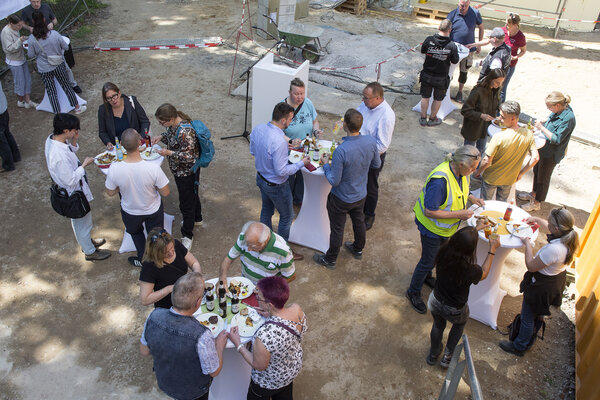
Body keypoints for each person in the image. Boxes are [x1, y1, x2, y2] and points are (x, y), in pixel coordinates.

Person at [406, 145, 485, 314]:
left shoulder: (462, 172)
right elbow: (429, 211)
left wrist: (471, 197)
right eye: (472, 167)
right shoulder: (440, 181)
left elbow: (460, 189)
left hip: (445, 230)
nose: (474, 171)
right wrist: (460, 214)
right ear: (461, 164)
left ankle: (427, 277)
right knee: (427, 260)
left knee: (438, 256)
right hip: (431, 229)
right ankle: (413, 291)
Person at [499, 207, 579, 356]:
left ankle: (519, 346)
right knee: (537, 313)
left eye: (549, 223)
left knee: (527, 317)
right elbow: (548, 225)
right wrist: (535, 220)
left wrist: (527, 244)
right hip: (554, 283)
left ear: (556, 228)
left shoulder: (555, 249)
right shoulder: (568, 237)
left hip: (541, 287)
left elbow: (531, 265)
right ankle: (531, 336)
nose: (546, 225)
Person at [140, 272, 228, 400]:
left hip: (166, 382)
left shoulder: (153, 316)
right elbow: (213, 371)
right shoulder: (202, 335)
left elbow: (144, 351)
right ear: (198, 302)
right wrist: (219, 346)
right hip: (193, 392)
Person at [313, 109, 381, 269]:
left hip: (341, 198)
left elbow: (334, 181)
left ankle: (330, 259)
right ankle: (358, 248)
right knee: (358, 221)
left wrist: (326, 166)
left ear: (344, 125)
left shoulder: (341, 151)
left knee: (337, 229)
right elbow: (376, 165)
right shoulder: (371, 142)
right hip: (360, 194)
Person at [427, 225, 499, 368]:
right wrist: (492, 249)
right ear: (471, 250)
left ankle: (433, 353)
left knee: (437, 325)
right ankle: (447, 357)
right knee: (459, 324)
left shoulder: (443, 251)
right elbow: (484, 273)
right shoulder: (469, 269)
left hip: (435, 299)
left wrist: (473, 231)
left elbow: (458, 242)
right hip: (455, 308)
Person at [44, 113, 110, 261]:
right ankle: (89, 251)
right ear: (66, 131)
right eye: (74, 130)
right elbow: (70, 180)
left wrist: (74, 141)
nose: (76, 132)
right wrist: (84, 165)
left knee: (84, 220)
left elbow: (69, 153)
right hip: (73, 193)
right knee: (82, 220)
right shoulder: (58, 156)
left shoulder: (53, 139)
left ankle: (87, 242)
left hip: (73, 189)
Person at [229, 276, 306, 400]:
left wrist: (238, 344)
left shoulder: (264, 335)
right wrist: (270, 313)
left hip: (268, 382)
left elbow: (258, 365)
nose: (257, 299)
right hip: (291, 369)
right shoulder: (297, 310)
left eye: (258, 298)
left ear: (269, 305)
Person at [250, 102, 310, 260]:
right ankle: (283, 252)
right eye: (291, 119)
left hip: (261, 178)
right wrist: (301, 163)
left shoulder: (258, 129)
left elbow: (252, 151)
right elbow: (282, 171)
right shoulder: (279, 142)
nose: (291, 122)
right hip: (277, 185)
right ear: (284, 120)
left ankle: (265, 243)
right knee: (286, 216)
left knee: (266, 211)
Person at [105, 128, 170, 267]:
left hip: (130, 211)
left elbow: (110, 192)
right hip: (152, 209)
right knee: (156, 238)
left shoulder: (115, 168)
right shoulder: (152, 168)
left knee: (136, 234)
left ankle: (143, 259)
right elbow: (165, 192)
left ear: (121, 144)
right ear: (140, 143)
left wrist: (120, 187)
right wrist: (154, 186)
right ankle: (158, 261)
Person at [153, 103, 202, 250]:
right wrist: (160, 137)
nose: (161, 125)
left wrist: (169, 153)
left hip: (186, 172)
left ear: (171, 118)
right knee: (193, 194)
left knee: (186, 203)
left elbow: (190, 157)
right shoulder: (174, 126)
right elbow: (170, 137)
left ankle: (187, 234)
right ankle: (197, 218)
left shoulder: (185, 131)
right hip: (180, 171)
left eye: (162, 122)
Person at [520, 92, 575, 212]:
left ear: (558, 105)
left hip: (551, 153)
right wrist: (543, 122)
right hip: (543, 148)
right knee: (537, 171)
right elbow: (551, 118)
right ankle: (533, 194)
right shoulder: (559, 110)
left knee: (543, 178)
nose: (548, 109)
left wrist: (542, 128)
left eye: (549, 106)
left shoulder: (569, 118)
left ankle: (536, 202)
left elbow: (556, 139)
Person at [475, 100, 539, 202]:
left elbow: (486, 161)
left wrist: (478, 171)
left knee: (484, 204)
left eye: (502, 117)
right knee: (502, 206)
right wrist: (521, 173)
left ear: (513, 118)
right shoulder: (528, 134)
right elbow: (535, 157)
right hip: (509, 180)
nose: (499, 119)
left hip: (491, 178)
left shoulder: (498, 137)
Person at [27, 11, 85, 114]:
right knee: (66, 86)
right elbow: (66, 47)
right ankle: (77, 107)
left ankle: (58, 114)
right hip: (58, 65)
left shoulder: (32, 39)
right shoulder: (54, 34)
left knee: (51, 91)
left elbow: (30, 55)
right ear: (44, 19)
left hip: (44, 69)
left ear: (32, 21)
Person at [357, 82, 395, 230]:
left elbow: (383, 145)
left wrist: (365, 154)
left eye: (366, 98)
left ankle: (369, 214)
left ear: (378, 98)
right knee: (357, 180)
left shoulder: (387, 115)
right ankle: (357, 208)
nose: (363, 101)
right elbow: (357, 114)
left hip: (372, 156)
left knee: (370, 185)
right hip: (358, 148)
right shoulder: (366, 104)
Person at [21, 0, 81, 94]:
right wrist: (29, 28)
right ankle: (54, 89)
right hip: (38, 40)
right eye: (33, 1)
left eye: (38, 1)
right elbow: (22, 23)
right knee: (47, 67)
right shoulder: (26, 11)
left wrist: (52, 24)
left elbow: (55, 20)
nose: (36, 3)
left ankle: (73, 84)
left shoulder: (46, 7)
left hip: (50, 38)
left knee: (65, 67)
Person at [140, 227, 202, 309]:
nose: (171, 253)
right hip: (168, 306)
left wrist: (196, 277)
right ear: (156, 252)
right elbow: (145, 299)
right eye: (165, 252)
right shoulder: (149, 266)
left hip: (187, 298)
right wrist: (169, 289)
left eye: (172, 248)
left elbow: (194, 263)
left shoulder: (176, 244)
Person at [219, 222, 296, 285]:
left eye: (253, 246)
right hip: (246, 285)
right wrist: (222, 278)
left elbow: (290, 276)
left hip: (266, 292)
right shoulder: (244, 237)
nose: (248, 249)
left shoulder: (283, 252)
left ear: (265, 241)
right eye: (247, 244)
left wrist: (267, 288)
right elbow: (228, 258)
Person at [283, 78, 320, 206]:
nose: (300, 97)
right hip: (289, 151)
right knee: (289, 176)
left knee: (302, 175)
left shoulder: (308, 103)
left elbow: (315, 121)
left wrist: (316, 131)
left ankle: (298, 199)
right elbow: (277, 131)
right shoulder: (282, 108)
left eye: (302, 94)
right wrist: (291, 141)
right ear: (289, 92)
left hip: (305, 147)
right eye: (296, 94)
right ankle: (287, 200)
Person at [418, 19, 460, 127]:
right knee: (437, 99)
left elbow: (423, 50)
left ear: (438, 28)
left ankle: (423, 118)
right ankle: (432, 119)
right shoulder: (452, 46)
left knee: (425, 97)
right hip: (441, 78)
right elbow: (455, 60)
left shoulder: (429, 40)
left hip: (427, 75)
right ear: (450, 30)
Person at [460, 68, 506, 154]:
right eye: (497, 82)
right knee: (468, 153)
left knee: (481, 151)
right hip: (473, 129)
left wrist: (500, 114)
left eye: (501, 82)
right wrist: (481, 115)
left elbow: (497, 106)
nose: (499, 85)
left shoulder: (496, 91)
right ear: (491, 79)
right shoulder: (478, 91)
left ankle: (476, 168)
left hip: (485, 128)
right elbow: (465, 110)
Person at [447, 0, 484, 103]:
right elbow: (446, 28)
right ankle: (446, 91)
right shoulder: (452, 14)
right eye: (462, 5)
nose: (463, 8)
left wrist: (479, 44)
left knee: (464, 71)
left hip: (468, 49)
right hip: (454, 49)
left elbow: (481, 27)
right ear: (458, 3)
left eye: (466, 6)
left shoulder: (475, 13)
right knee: (449, 70)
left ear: (469, 4)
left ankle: (460, 91)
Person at [98, 82, 150, 150]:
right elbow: (102, 132)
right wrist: (108, 142)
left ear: (119, 93)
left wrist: (141, 136)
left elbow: (145, 121)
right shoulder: (103, 110)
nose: (113, 100)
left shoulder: (132, 102)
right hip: (119, 149)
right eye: (109, 98)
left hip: (137, 145)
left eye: (114, 96)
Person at [1, 15, 37, 109]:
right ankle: (20, 101)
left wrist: (24, 39)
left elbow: (18, 41)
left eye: (21, 24)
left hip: (21, 58)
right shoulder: (6, 32)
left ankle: (28, 100)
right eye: (18, 25)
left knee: (27, 78)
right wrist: (20, 40)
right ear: (11, 24)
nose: (20, 27)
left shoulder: (15, 28)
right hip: (14, 61)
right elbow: (9, 49)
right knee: (19, 82)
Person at [501, 14, 527, 103]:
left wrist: (515, 57)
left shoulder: (520, 37)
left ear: (515, 25)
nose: (506, 26)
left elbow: (523, 51)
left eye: (508, 24)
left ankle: (498, 110)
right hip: (499, 62)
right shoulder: (503, 30)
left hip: (510, 65)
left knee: (502, 86)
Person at [0, 81, 21, 173]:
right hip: (3, 109)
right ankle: (16, 156)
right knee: (6, 133)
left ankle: (8, 164)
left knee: (1, 140)